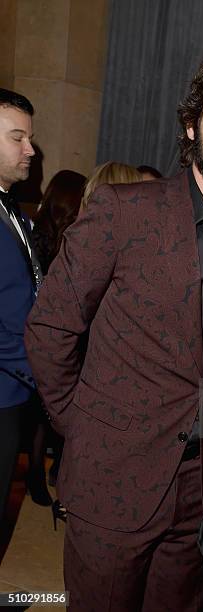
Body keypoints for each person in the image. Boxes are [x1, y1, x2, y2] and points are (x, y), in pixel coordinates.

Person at [25, 41, 203, 612]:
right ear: (193, 124)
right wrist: (82, 425)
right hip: (111, 478)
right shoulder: (125, 211)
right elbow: (50, 330)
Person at [28, 169, 86, 512]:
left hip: (40, 332)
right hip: (52, 333)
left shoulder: (40, 232)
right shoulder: (68, 237)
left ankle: (40, 471)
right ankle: (45, 472)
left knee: (39, 412)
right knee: (44, 413)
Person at [0, 88, 42, 522]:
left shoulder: (16, 212)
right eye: (17, 137)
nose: (30, 149)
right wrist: (42, 372)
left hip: (13, 389)